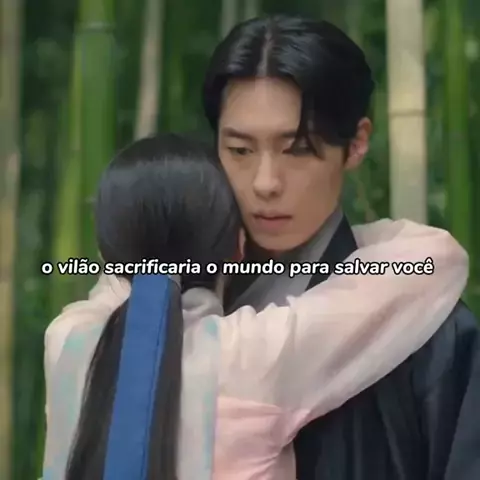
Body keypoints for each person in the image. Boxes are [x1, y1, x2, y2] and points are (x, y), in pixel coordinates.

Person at [41, 134, 468, 480]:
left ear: (106, 252)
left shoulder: (67, 341)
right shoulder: (248, 357)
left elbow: (124, 286)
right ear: (238, 245)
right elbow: (431, 260)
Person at [200, 14, 480, 480]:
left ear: (356, 144)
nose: (265, 183)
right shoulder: (184, 305)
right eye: (241, 151)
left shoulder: (424, 327)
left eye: (297, 149)